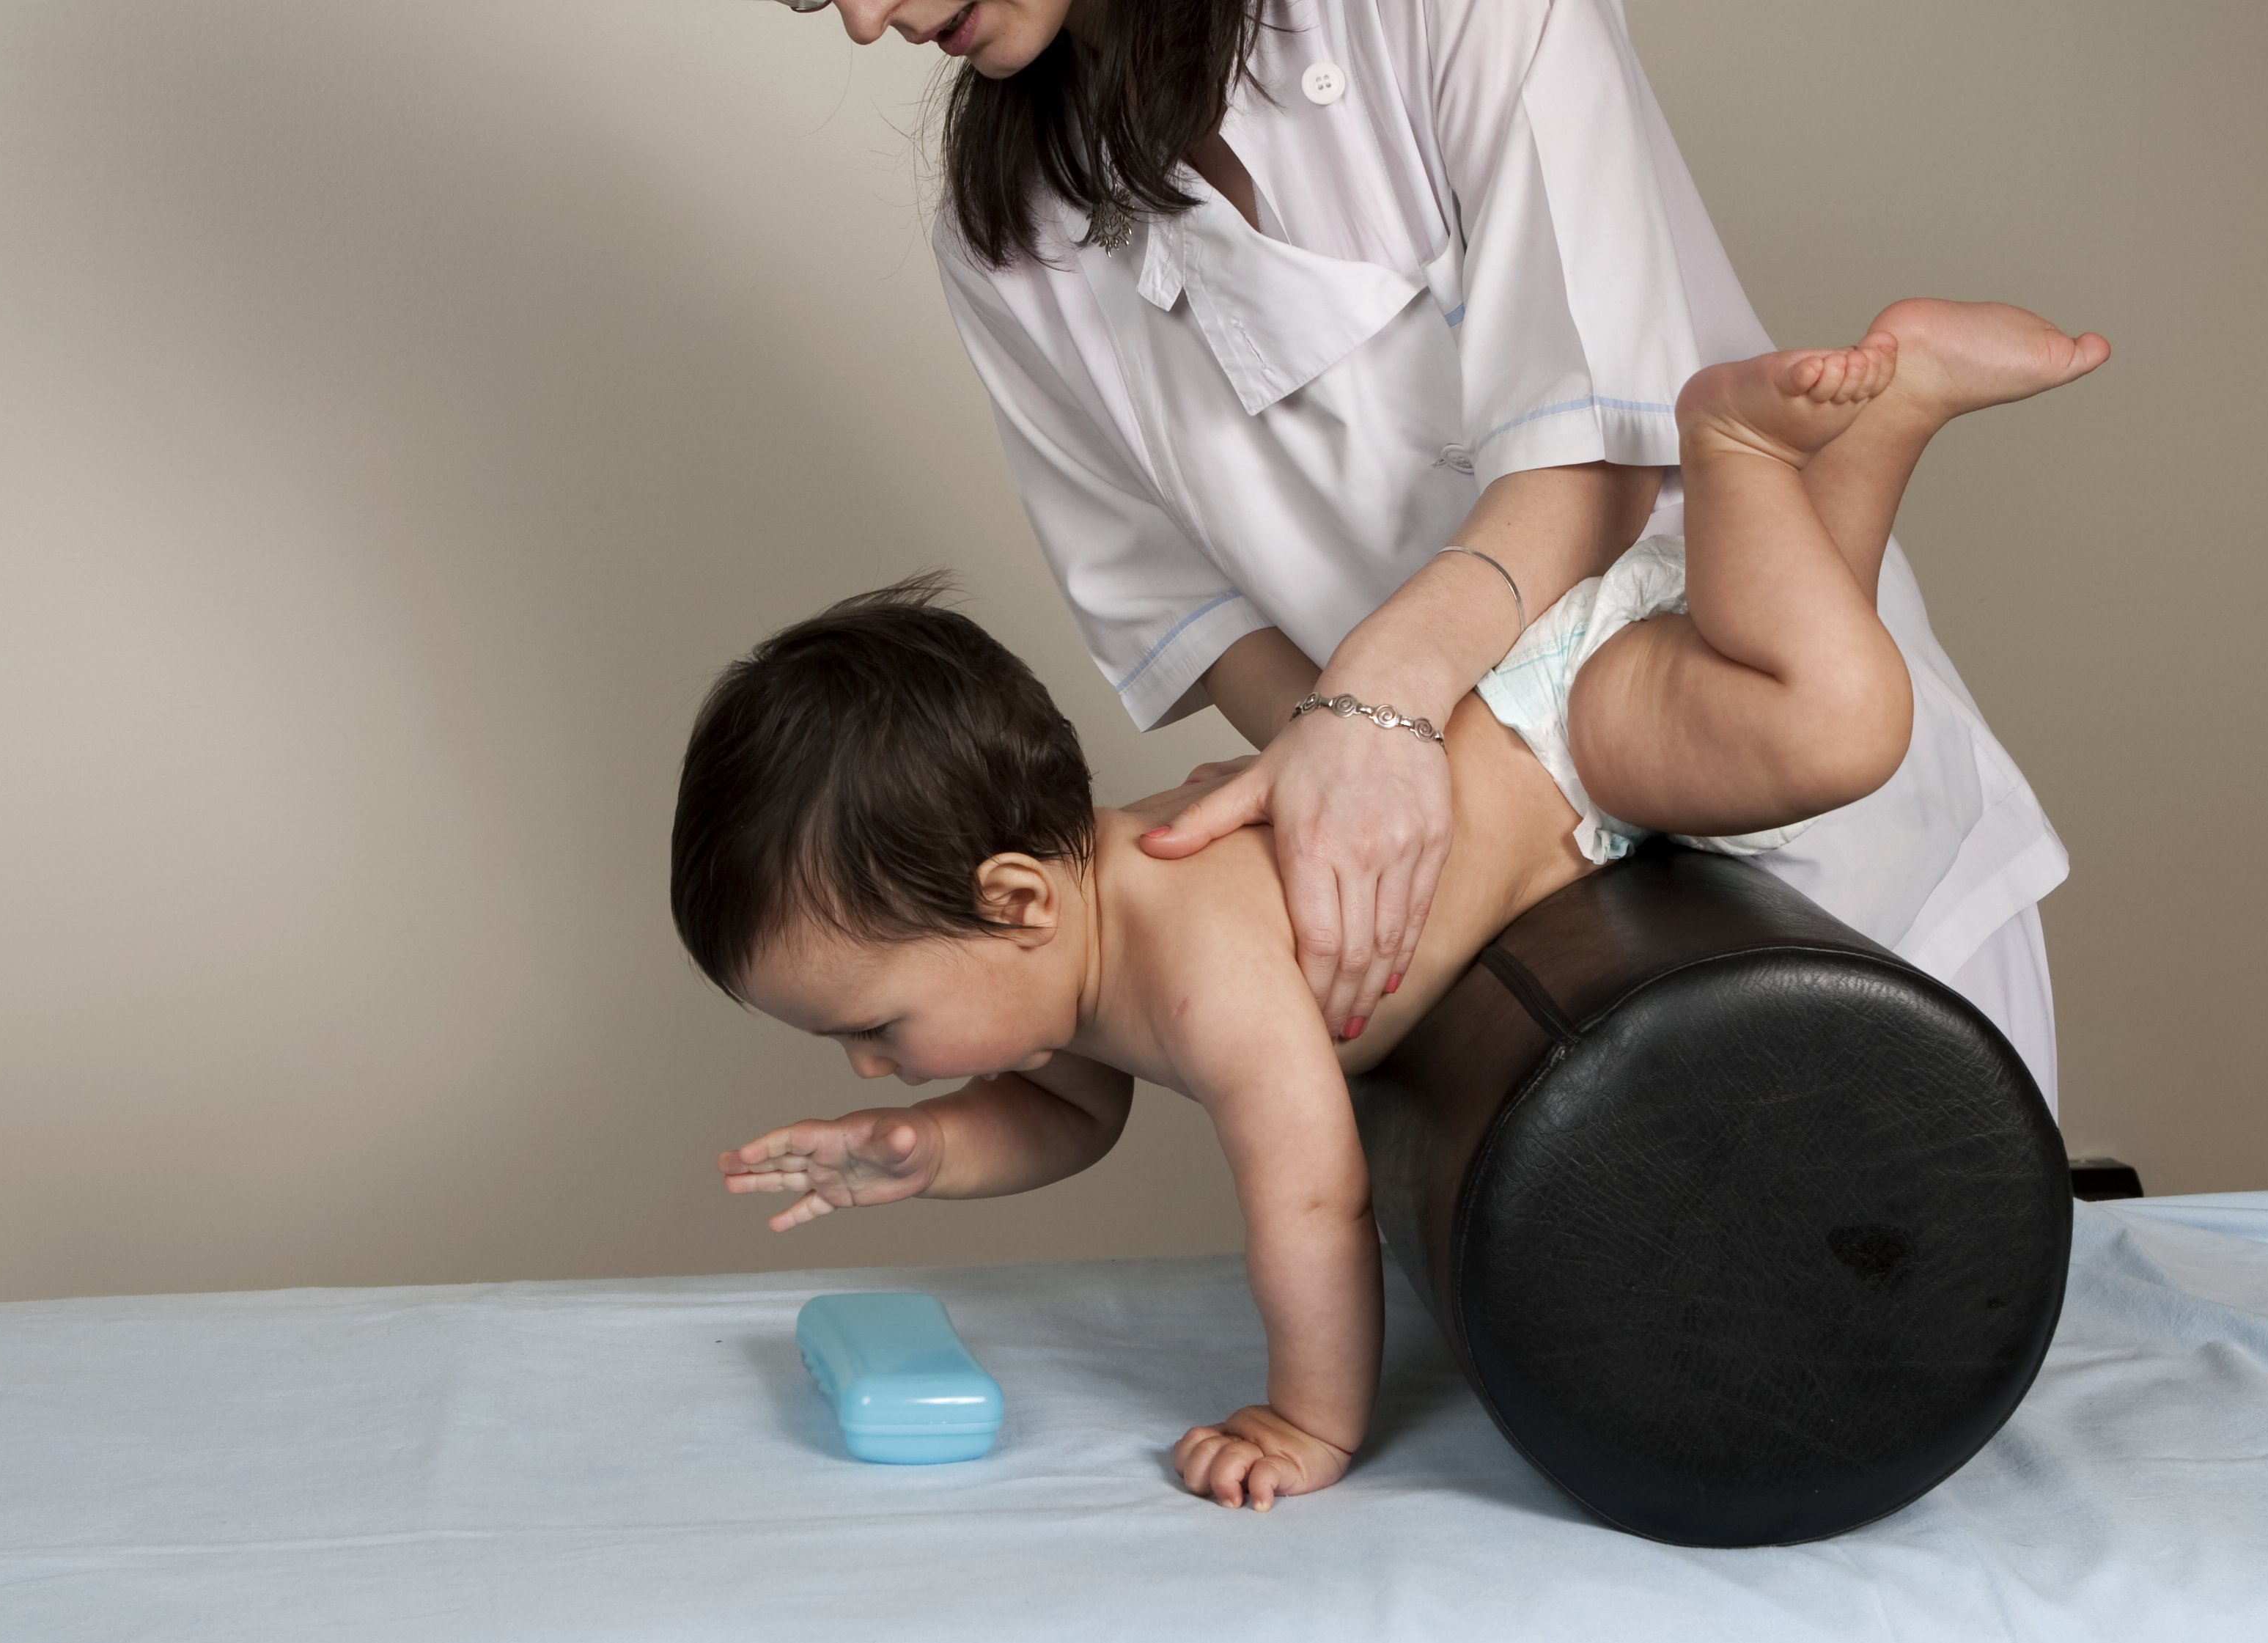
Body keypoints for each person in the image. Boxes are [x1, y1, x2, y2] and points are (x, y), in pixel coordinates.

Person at [672, 301, 2107, 1510]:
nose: (869, 1064)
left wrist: (1307, 1418)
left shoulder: (1199, 960)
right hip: (1559, 765)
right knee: (1808, 652)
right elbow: (1066, 1119)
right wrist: (922, 1149)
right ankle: (1885, 420)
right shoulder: (1079, 957)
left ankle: (1731, 445)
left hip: (1557, 733)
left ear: (1014, 900)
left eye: (877, 1025)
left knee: (1840, 727)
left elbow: (1314, 1195)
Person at [778, 0, 2079, 1106]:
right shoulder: (1009, 237)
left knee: (1921, 1246)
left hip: (1787, 802)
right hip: (1510, 885)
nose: (866, 20)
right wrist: (1352, 806)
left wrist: (1379, 713)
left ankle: (1866, 430)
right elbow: (1193, 615)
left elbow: (1596, 446)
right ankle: (1875, 432)